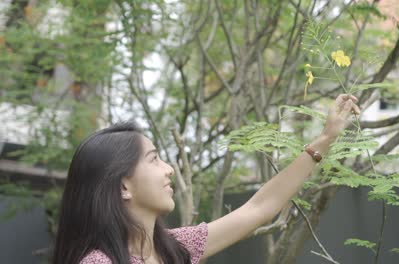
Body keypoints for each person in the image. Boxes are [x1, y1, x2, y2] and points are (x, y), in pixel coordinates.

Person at [52, 94, 360, 264]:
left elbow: (258, 208)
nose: (169, 169)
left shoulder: (174, 248)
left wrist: (324, 139)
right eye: (154, 159)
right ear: (123, 186)